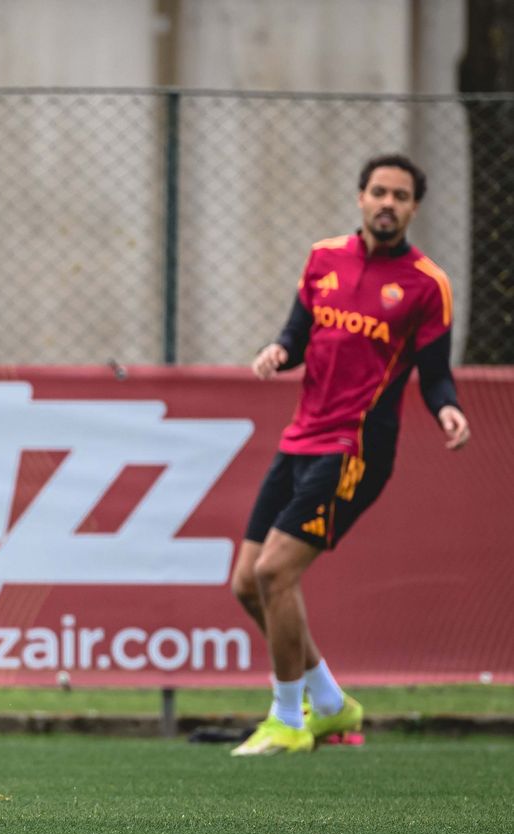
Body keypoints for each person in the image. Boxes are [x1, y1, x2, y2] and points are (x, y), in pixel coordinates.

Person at [229, 153, 471, 756]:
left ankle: (289, 719)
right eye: (379, 192)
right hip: (300, 438)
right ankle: (332, 704)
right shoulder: (323, 259)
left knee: (275, 573)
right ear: (361, 197)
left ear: (414, 208)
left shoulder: (427, 284)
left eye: (400, 196)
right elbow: (296, 337)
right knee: (247, 585)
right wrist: (277, 352)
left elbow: (435, 373)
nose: (388, 204)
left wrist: (447, 407)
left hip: (356, 449)